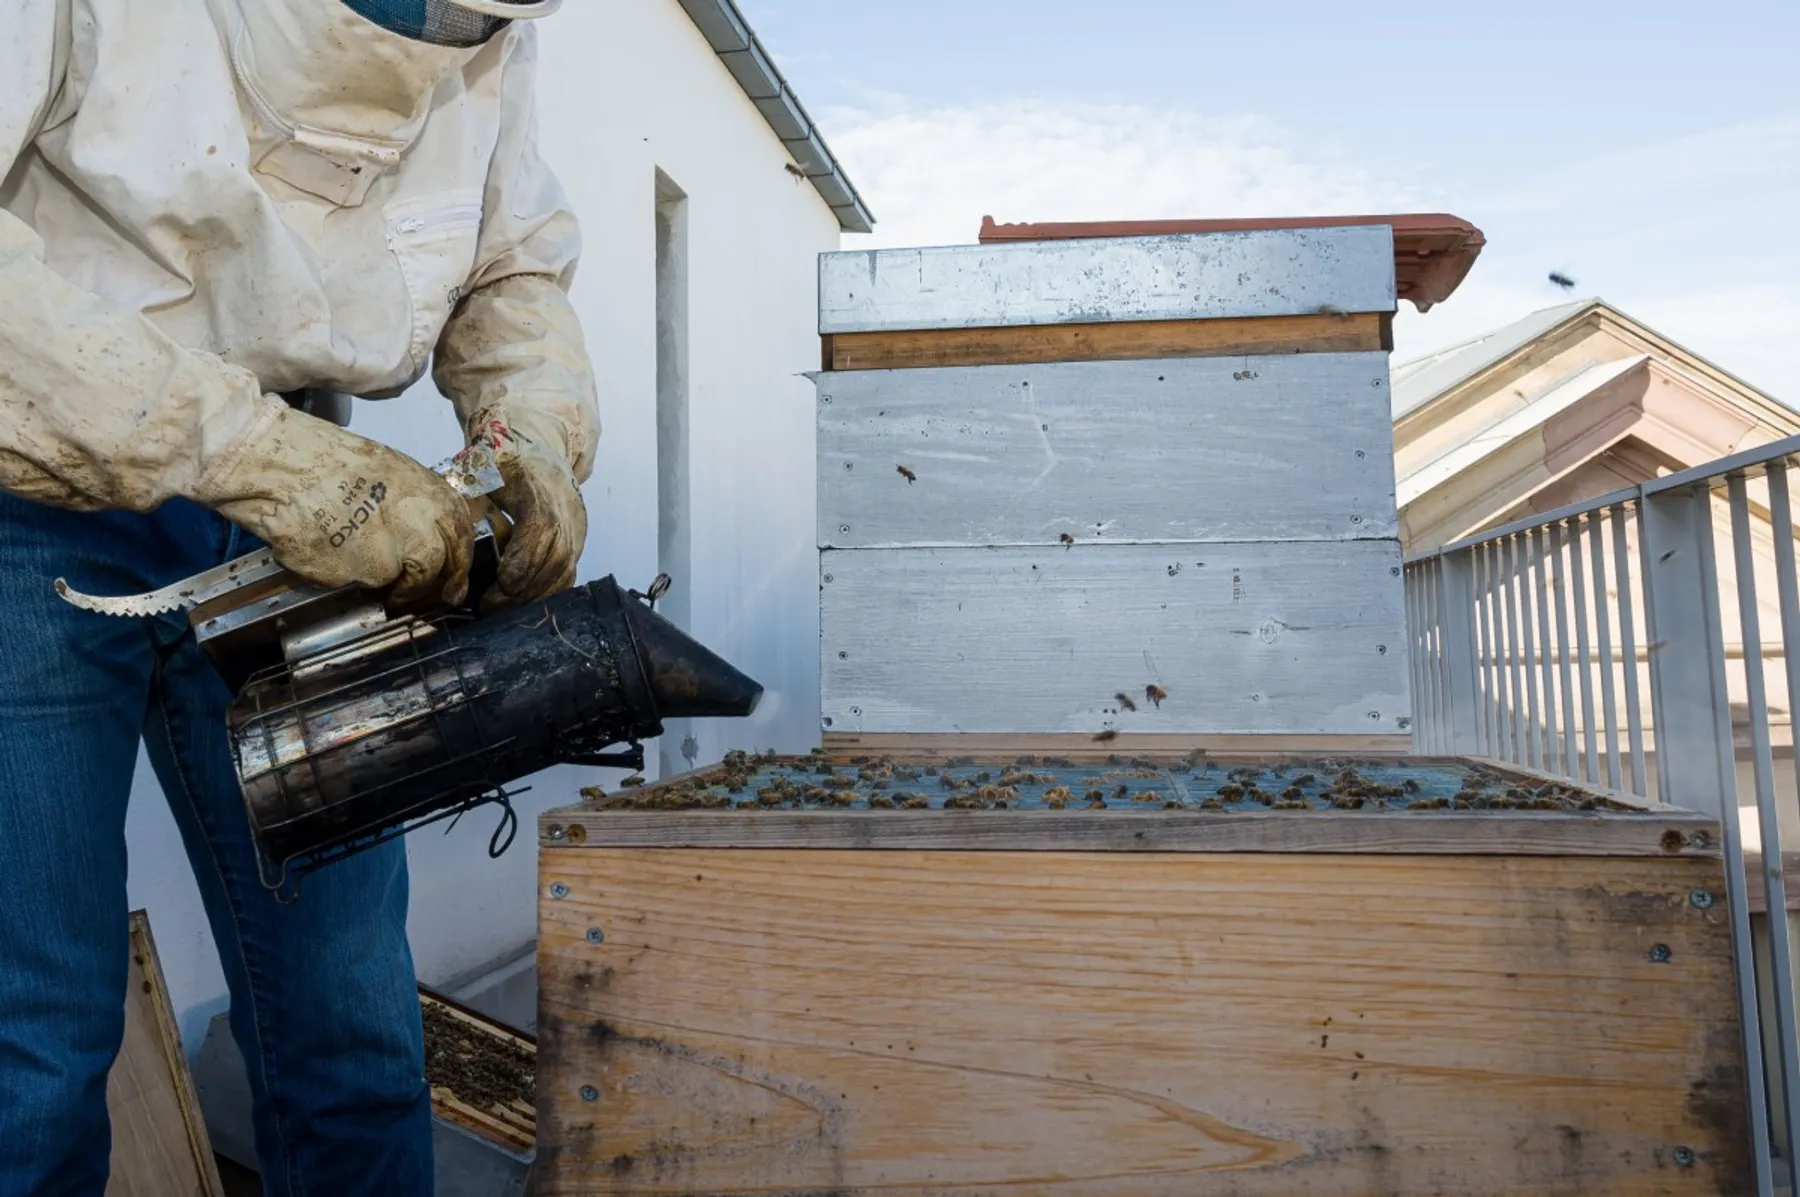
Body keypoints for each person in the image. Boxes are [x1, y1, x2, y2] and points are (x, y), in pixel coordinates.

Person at [0, 0, 598, 1191]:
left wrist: (530, 428)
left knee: (353, 1030)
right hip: (37, 491)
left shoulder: (492, 36)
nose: (452, 25)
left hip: (314, 530)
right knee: (37, 1044)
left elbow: (511, 263)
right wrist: (264, 464)